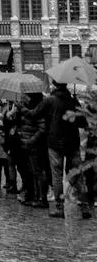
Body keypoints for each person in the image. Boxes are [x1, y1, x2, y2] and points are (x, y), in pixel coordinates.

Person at [46, 79, 89, 220]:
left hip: (55, 143)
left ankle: (59, 208)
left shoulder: (51, 100)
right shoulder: (72, 101)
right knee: (77, 175)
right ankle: (84, 206)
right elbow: (83, 122)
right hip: (72, 143)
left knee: (57, 176)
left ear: (55, 85)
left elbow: (38, 116)